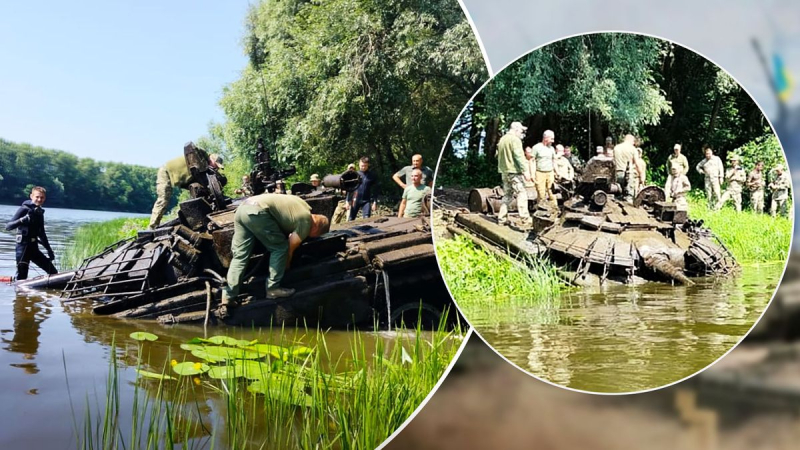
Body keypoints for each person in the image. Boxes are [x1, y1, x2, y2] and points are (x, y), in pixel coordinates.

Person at [222, 194, 330, 304]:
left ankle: (228, 295)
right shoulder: (306, 221)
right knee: (280, 248)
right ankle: (273, 289)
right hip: (257, 212)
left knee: (240, 256)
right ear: (316, 227)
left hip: (242, 209)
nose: (309, 236)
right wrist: (286, 265)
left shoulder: (304, 205)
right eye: (314, 235)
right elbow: (289, 247)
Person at [149, 151, 224, 229]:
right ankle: (152, 227)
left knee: (200, 191)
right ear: (212, 160)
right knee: (163, 200)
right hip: (166, 172)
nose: (217, 168)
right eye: (216, 165)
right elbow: (194, 149)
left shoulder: (202, 167)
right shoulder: (200, 156)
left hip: (184, 179)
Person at [5, 186, 58, 280]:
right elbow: (8, 227)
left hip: (34, 248)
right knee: (21, 278)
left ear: (44, 198)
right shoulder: (24, 209)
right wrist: (22, 220)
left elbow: (42, 234)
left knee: (53, 272)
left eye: (42, 197)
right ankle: (19, 293)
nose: (39, 199)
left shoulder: (39, 212)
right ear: (31, 196)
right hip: (22, 248)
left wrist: (49, 250)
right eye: (37, 197)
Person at [496, 121, 531, 227]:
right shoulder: (515, 140)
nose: (522, 133)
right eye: (521, 130)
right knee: (522, 194)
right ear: (516, 129)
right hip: (514, 172)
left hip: (504, 172)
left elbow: (498, 155)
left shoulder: (502, 139)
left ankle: (501, 219)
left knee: (507, 195)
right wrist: (525, 171)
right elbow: (519, 156)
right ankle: (525, 220)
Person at [531, 130, 558, 208]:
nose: (553, 141)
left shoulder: (552, 149)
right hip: (539, 173)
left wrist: (557, 172)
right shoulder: (536, 147)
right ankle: (541, 210)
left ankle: (554, 209)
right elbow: (532, 161)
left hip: (550, 173)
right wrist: (532, 174)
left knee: (552, 192)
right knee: (541, 193)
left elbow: (554, 161)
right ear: (545, 138)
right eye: (551, 139)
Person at [348, 157, 380, 221]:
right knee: (351, 219)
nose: (363, 167)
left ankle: (366, 230)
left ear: (368, 165)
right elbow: (350, 189)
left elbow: (376, 189)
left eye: (365, 166)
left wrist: (375, 202)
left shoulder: (372, 175)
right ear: (359, 165)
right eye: (362, 166)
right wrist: (347, 201)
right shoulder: (355, 174)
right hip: (355, 199)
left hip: (366, 200)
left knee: (367, 219)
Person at [612, 134, 641, 202]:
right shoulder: (633, 149)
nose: (634, 143)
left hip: (617, 173)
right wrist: (641, 175)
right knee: (629, 196)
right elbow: (637, 164)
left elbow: (613, 162)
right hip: (628, 175)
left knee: (617, 194)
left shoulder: (616, 148)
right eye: (633, 141)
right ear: (631, 140)